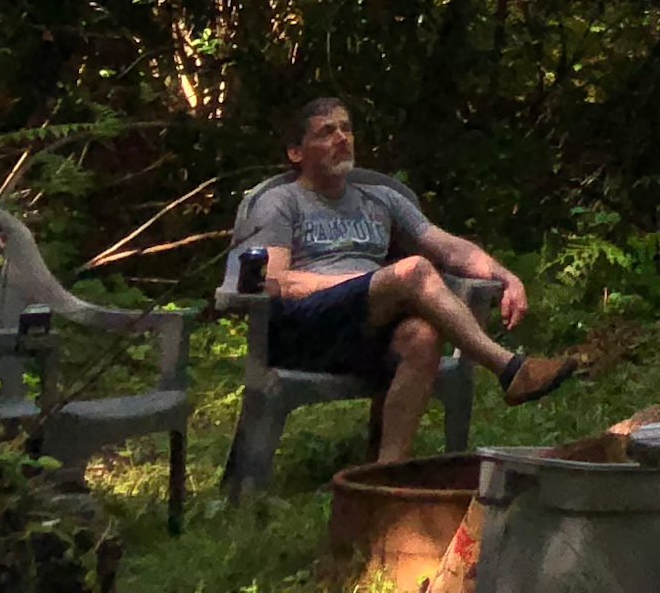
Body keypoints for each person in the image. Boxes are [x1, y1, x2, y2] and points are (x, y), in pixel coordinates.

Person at [235, 95, 584, 462]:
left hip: (365, 330)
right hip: (304, 331)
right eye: (326, 132)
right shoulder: (281, 202)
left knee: (422, 336)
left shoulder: (380, 199)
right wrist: (369, 282)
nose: (342, 138)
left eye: (346, 129)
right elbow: (276, 280)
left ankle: (387, 470)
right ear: (295, 152)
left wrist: (508, 277)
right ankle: (509, 368)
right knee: (412, 270)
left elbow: (450, 249)